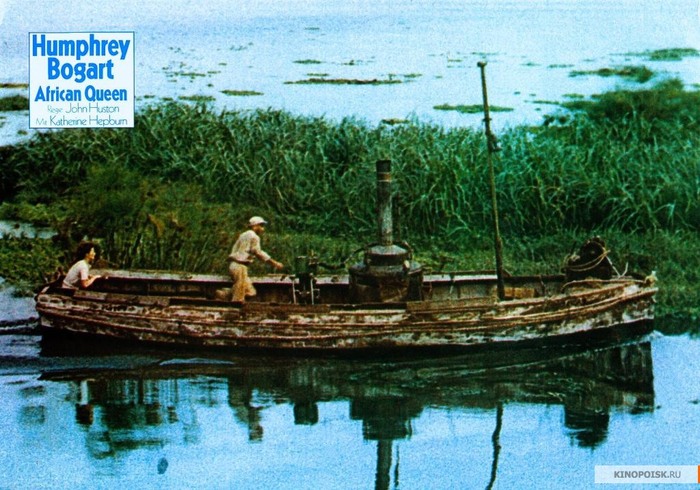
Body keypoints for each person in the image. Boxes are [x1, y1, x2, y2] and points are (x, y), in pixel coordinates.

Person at [228, 216, 284, 302]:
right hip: (240, 266)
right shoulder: (254, 236)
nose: (263, 229)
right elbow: (258, 252)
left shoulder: (243, 235)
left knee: (250, 292)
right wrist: (275, 263)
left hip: (234, 265)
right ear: (255, 226)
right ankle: (234, 307)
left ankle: (223, 294)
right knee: (239, 297)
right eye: (261, 226)